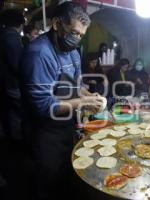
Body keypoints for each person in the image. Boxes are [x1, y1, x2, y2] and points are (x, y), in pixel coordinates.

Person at [20, 2, 105, 200]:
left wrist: (87, 95)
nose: (76, 39)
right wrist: (82, 104)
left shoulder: (74, 53)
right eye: (74, 32)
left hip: (65, 126)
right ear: (57, 24)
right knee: (47, 182)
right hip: (44, 132)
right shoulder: (39, 54)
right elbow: (43, 106)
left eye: (81, 35)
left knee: (65, 179)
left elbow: (75, 86)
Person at [0, 9, 25, 140]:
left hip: (7, 81)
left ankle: (14, 137)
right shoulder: (12, 37)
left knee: (12, 111)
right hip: (14, 83)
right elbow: (17, 65)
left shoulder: (4, 34)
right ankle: (19, 140)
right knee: (19, 112)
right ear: (20, 23)